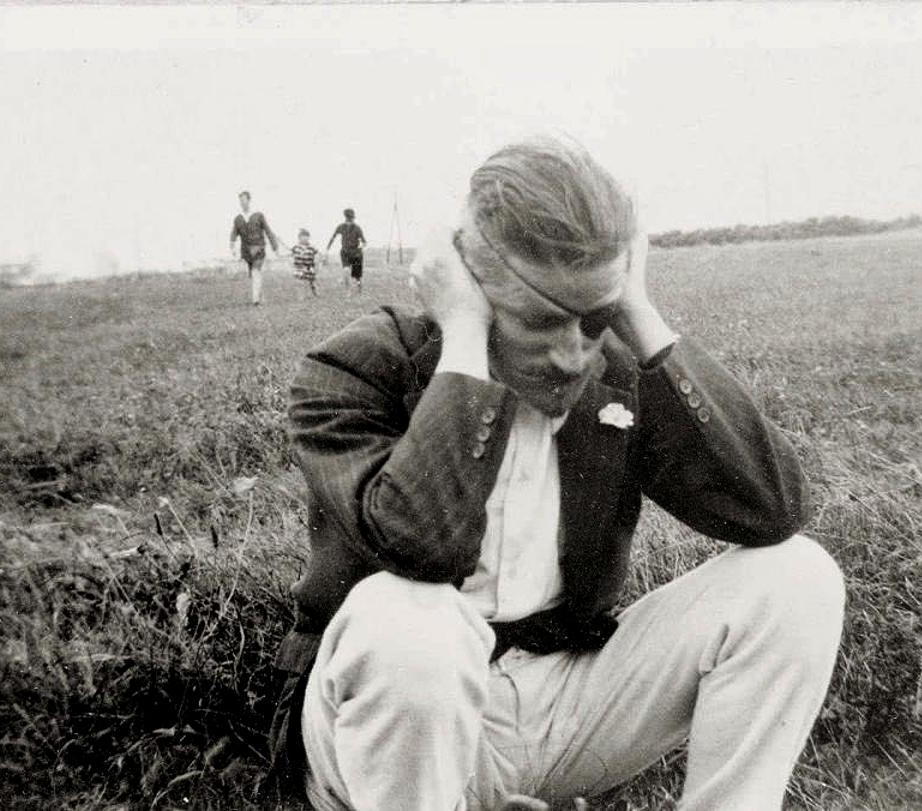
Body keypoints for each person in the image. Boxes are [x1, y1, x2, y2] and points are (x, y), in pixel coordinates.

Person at [268, 137, 845, 811]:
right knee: (407, 618)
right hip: (393, 737)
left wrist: (637, 314)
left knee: (796, 576)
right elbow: (423, 549)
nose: (576, 356)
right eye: (542, 321)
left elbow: (770, 508)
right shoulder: (357, 368)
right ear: (469, 285)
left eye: (595, 319)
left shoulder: (615, 368)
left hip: (560, 701)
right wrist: (463, 343)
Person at [229, 190, 283, 306]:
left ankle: (256, 300)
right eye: (240, 201)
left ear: (249, 200)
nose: (242, 203)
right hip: (246, 251)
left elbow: (268, 231)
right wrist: (232, 245)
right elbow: (234, 233)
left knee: (255, 271)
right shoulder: (238, 218)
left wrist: (275, 247)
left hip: (259, 247)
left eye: (244, 200)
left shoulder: (258, 215)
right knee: (253, 274)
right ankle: (259, 295)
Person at [326, 208, 366, 294]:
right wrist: (328, 248)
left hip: (356, 252)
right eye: (348, 218)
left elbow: (364, 242)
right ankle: (348, 290)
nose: (349, 221)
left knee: (357, 275)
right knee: (346, 271)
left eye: (351, 219)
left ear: (353, 218)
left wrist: (361, 249)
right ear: (345, 218)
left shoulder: (357, 228)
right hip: (345, 252)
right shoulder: (341, 227)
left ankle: (359, 287)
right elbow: (333, 237)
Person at [292, 228, 320, 298]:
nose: (304, 239)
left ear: (309, 238)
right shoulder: (295, 247)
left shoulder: (312, 247)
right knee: (299, 282)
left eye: (306, 237)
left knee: (312, 282)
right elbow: (290, 254)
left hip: (309, 267)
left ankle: (315, 293)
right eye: (302, 237)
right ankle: (301, 296)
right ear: (299, 238)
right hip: (299, 267)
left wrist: (316, 266)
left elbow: (317, 256)